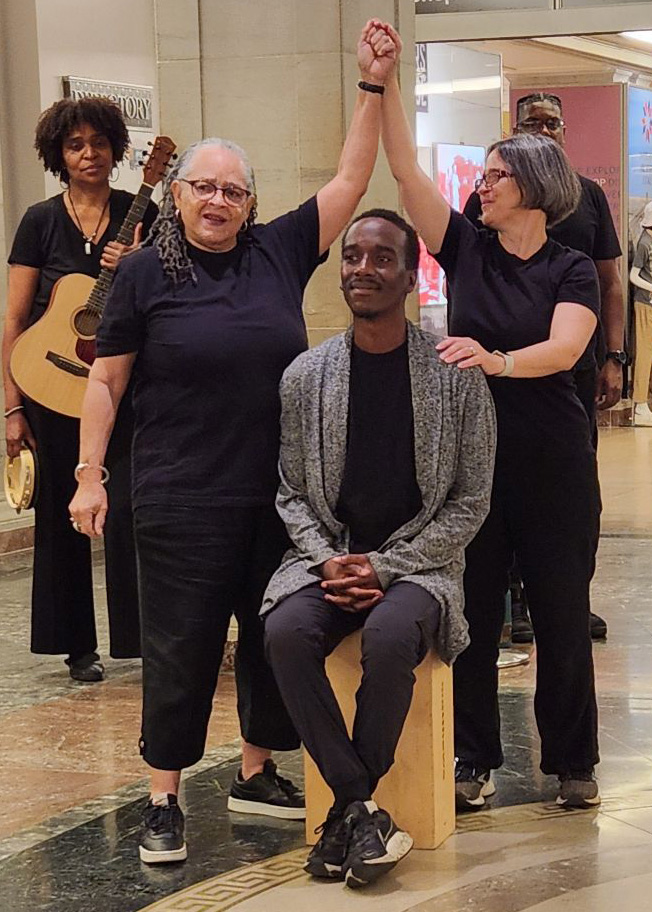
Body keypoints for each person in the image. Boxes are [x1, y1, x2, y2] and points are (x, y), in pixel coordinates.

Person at [69, 22, 398, 865]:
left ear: (250, 202)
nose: (219, 202)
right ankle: (164, 798)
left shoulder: (278, 251)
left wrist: (370, 85)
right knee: (178, 646)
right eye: (204, 187)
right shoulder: (144, 271)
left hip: (278, 497)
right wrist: (89, 475)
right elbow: (105, 380)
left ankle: (256, 773)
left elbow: (353, 177)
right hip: (177, 495)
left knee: (267, 639)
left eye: (234, 191)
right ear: (177, 192)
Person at [377, 21, 603, 812]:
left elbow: (568, 348)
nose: (485, 182)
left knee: (562, 613)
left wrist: (497, 359)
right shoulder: (466, 246)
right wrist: (380, 84)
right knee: (468, 613)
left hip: (552, 456)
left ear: (535, 187)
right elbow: (405, 176)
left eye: (500, 173)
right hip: (475, 459)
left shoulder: (571, 267)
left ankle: (573, 761)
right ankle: (473, 757)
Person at [263, 209, 496, 889]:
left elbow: (470, 503)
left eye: (381, 258)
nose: (362, 270)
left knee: (393, 638)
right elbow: (290, 493)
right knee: (283, 630)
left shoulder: (456, 375)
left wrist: (386, 566)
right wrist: (327, 559)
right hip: (328, 558)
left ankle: (344, 814)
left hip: (421, 563)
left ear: (410, 274)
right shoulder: (306, 377)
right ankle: (363, 809)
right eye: (351, 257)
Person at [2, 98, 156, 682]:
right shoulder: (40, 221)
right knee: (57, 519)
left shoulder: (141, 212)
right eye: (75, 145)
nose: (88, 154)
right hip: (49, 385)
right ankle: (75, 646)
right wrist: (12, 408)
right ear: (57, 154)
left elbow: (173, 290)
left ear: (117, 147)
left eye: (98, 142)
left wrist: (141, 261)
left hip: (124, 387)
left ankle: (141, 638)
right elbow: (14, 321)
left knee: (131, 513)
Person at [464, 91, 623, 643]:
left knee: (567, 508)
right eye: (533, 121)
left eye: (552, 122)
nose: (544, 129)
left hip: (561, 387)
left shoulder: (587, 205)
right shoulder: (480, 217)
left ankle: (563, 596)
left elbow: (608, 281)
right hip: (492, 400)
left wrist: (613, 354)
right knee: (494, 517)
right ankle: (518, 602)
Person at [629, 201, 652, 426]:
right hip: (646, 303)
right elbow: (634, 276)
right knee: (645, 352)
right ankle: (640, 404)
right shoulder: (645, 244)